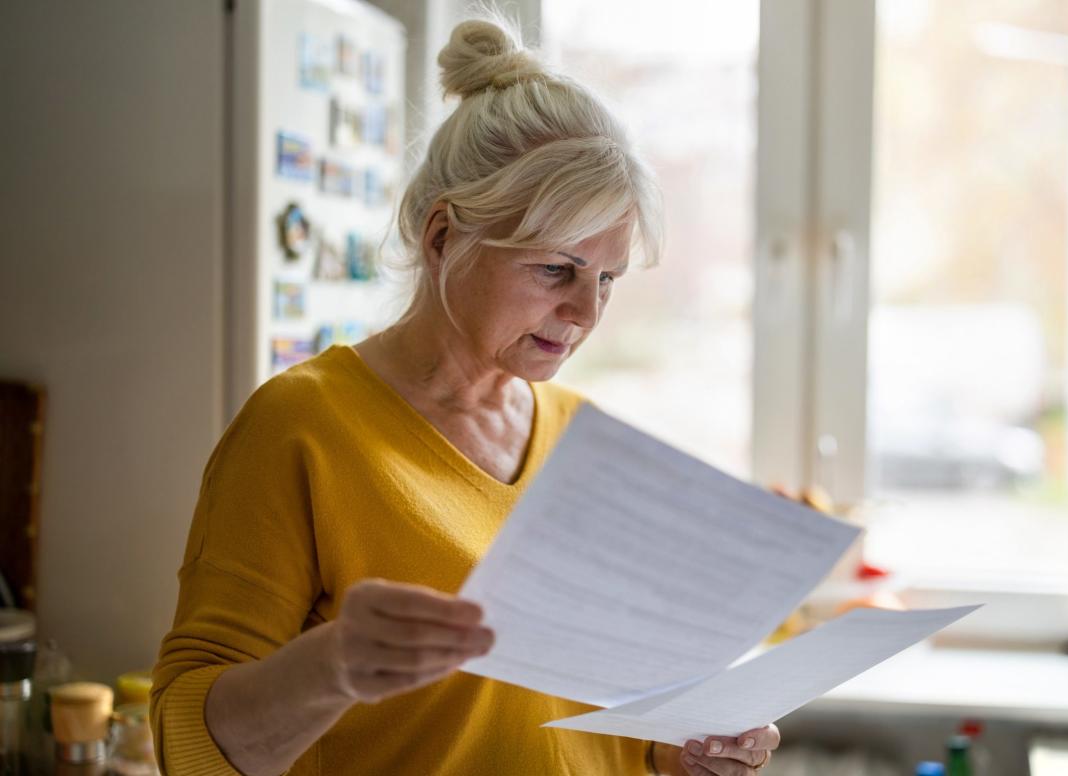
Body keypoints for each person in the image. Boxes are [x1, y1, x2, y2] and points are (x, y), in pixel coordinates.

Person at [151, 15, 779, 776]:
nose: (586, 313)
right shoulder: (302, 426)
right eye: (556, 269)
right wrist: (333, 666)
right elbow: (187, 738)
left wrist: (675, 752)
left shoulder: (583, 437)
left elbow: (582, 731)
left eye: (605, 279)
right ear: (443, 236)